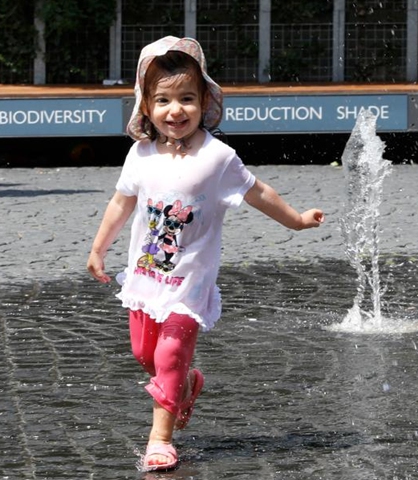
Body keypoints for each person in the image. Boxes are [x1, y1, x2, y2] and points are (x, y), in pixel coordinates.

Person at [86, 36, 324, 472]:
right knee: (145, 354)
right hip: (146, 276)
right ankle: (186, 384)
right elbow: (121, 203)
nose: (175, 110)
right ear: (146, 106)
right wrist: (99, 248)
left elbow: (258, 192)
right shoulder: (139, 155)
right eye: (163, 100)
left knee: (169, 355)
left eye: (186, 98)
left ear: (205, 101)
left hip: (190, 281)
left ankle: (160, 439)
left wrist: (296, 219)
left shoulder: (218, 158)